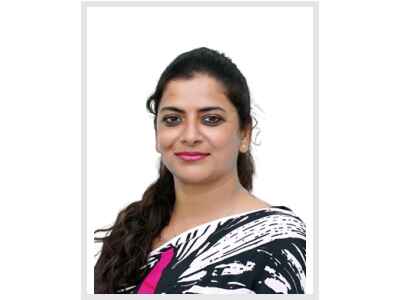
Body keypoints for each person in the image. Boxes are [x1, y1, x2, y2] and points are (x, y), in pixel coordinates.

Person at [94, 47, 306, 294]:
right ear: (157, 133)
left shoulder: (279, 241)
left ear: (245, 133)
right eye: (173, 119)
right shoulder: (128, 236)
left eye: (211, 119)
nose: (190, 136)